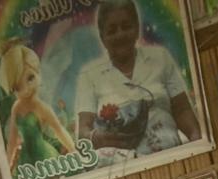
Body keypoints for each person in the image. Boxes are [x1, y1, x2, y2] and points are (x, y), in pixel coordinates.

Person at [75, 0, 201, 160]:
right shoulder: (89, 75)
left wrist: (198, 142)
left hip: (171, 156)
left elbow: (182, 109)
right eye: (112, 31)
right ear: (102, 37)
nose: (120, 34)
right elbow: (83, 132)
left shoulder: (160, 58)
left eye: (126, 26)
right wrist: (97, 138)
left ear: (137, 29)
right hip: (124, 165)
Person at [0, 40, 76, 179]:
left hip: (45, 158)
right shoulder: (16, 108)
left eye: (30, 78)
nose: (26, 89)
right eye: (18, 87)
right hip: (27, 162)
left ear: (37, 71)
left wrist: (73, 150)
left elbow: (59, 130)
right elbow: (12, 141)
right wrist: (6, 168)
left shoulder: (41, 107)